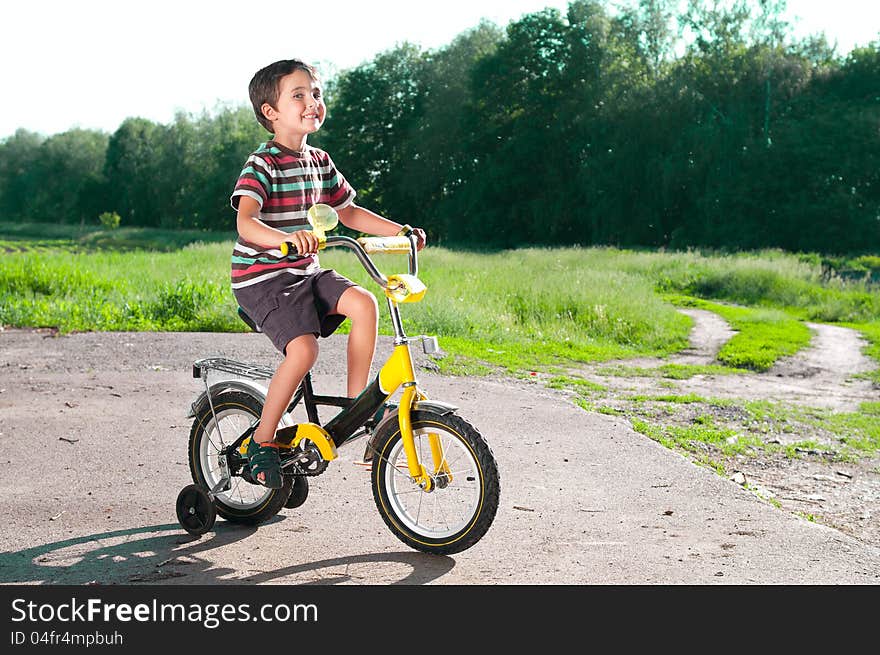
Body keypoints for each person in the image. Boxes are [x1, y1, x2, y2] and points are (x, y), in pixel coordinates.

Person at [230, 59, 426, 488]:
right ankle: (263, 441)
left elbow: (349, 211)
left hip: (305, 270)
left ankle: (360, 407)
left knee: (365, 302)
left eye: (315, 94)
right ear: (271, 112)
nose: (311, 102)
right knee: (303, 352)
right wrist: (282, 239)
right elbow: (246, 221)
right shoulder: (262, 165)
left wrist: (402, 231)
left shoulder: (319, 160)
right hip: (263, 277)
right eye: (297, 95)